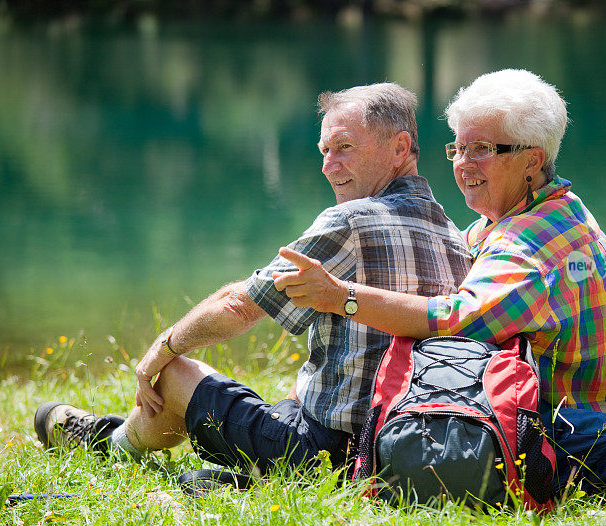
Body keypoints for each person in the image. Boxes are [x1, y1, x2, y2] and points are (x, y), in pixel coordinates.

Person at [34, 83, 472, 472]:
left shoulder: (351, 220)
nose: (329, 166)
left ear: (400, 149)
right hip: (403, 443)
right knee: (273, 398)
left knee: (175, 373)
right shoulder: (457, 238)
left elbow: (239, 306)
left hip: (327, 450)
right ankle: (109, 433)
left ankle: (108, 447)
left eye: (344, 147)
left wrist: (160, 348)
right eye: (324, 151)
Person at [273, 69, 606, 416]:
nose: (463, 163)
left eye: (483, 149)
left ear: (532, 161)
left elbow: (456, 322)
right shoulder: (546, 211)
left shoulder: (529, 246)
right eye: (458, 148)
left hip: (586, 435)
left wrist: (341, 296)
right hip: (589, 419)